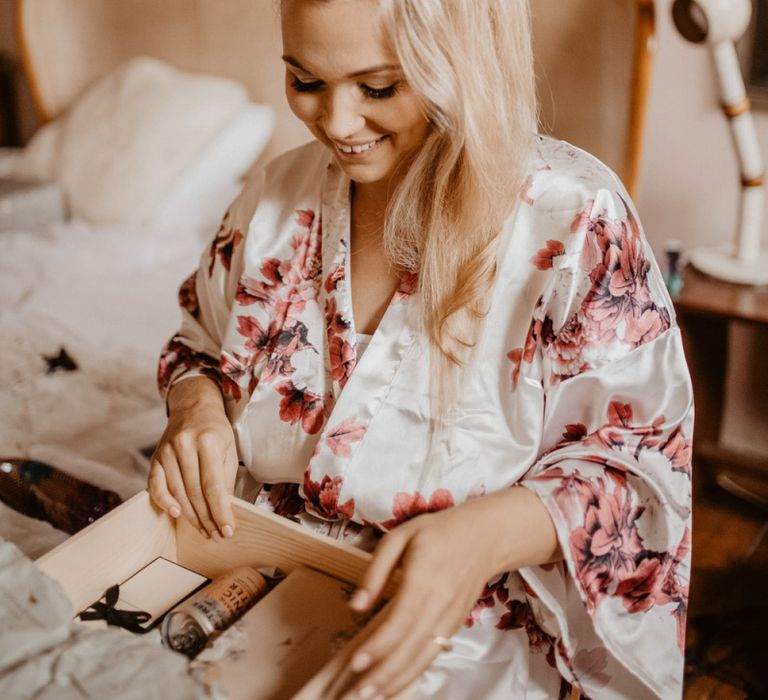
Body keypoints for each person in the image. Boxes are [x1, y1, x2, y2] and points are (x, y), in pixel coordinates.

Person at [148, 0, 693, 697]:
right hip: (257, 584)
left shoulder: (572, 220)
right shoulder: (274, 198)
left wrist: (481, 537)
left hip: (464, 628)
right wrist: (195, 407)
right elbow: (198, 344)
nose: (338, 124)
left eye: (379, 87)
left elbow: (640, 466)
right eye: (305, 80)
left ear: (458, 60)